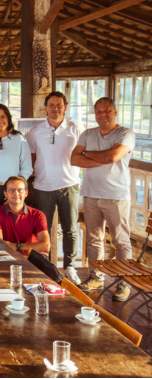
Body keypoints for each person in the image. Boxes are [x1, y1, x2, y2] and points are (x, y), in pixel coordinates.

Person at [71, 97, 136, 301]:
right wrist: (103, 155)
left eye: (107, 111)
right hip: (91, 194)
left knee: (120, 241)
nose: (103, 115)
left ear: (115, 112)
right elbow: (74, 159)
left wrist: (89, 155)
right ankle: (95, 277)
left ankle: (123, 282)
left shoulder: (125, 133)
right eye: (99, 111)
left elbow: (113, 157)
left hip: (116, 196)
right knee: (93, 239)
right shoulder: (88, 134)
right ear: (95, 113)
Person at [27, 92, 84, 284]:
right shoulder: (36, 132)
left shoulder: (75, 128)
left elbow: (83, 154)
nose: (55, 108)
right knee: (42, 229)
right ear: (46, 107)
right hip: (43, 187)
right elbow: (31, 160)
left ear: (65, 106)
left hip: (69, 185)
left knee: (70, 229)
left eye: (59, 105)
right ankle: (46, 268)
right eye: (51, 105)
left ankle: (70, 268)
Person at [0, 176, 50, 256]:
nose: (16, 193)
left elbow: (45, 246)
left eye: (20, 190)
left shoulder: (38, 215)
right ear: (5, 194)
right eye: (11, 190)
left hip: (31, 261)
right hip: (8, 258)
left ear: (26, 193)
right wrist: (24, 257)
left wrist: (17, 246)